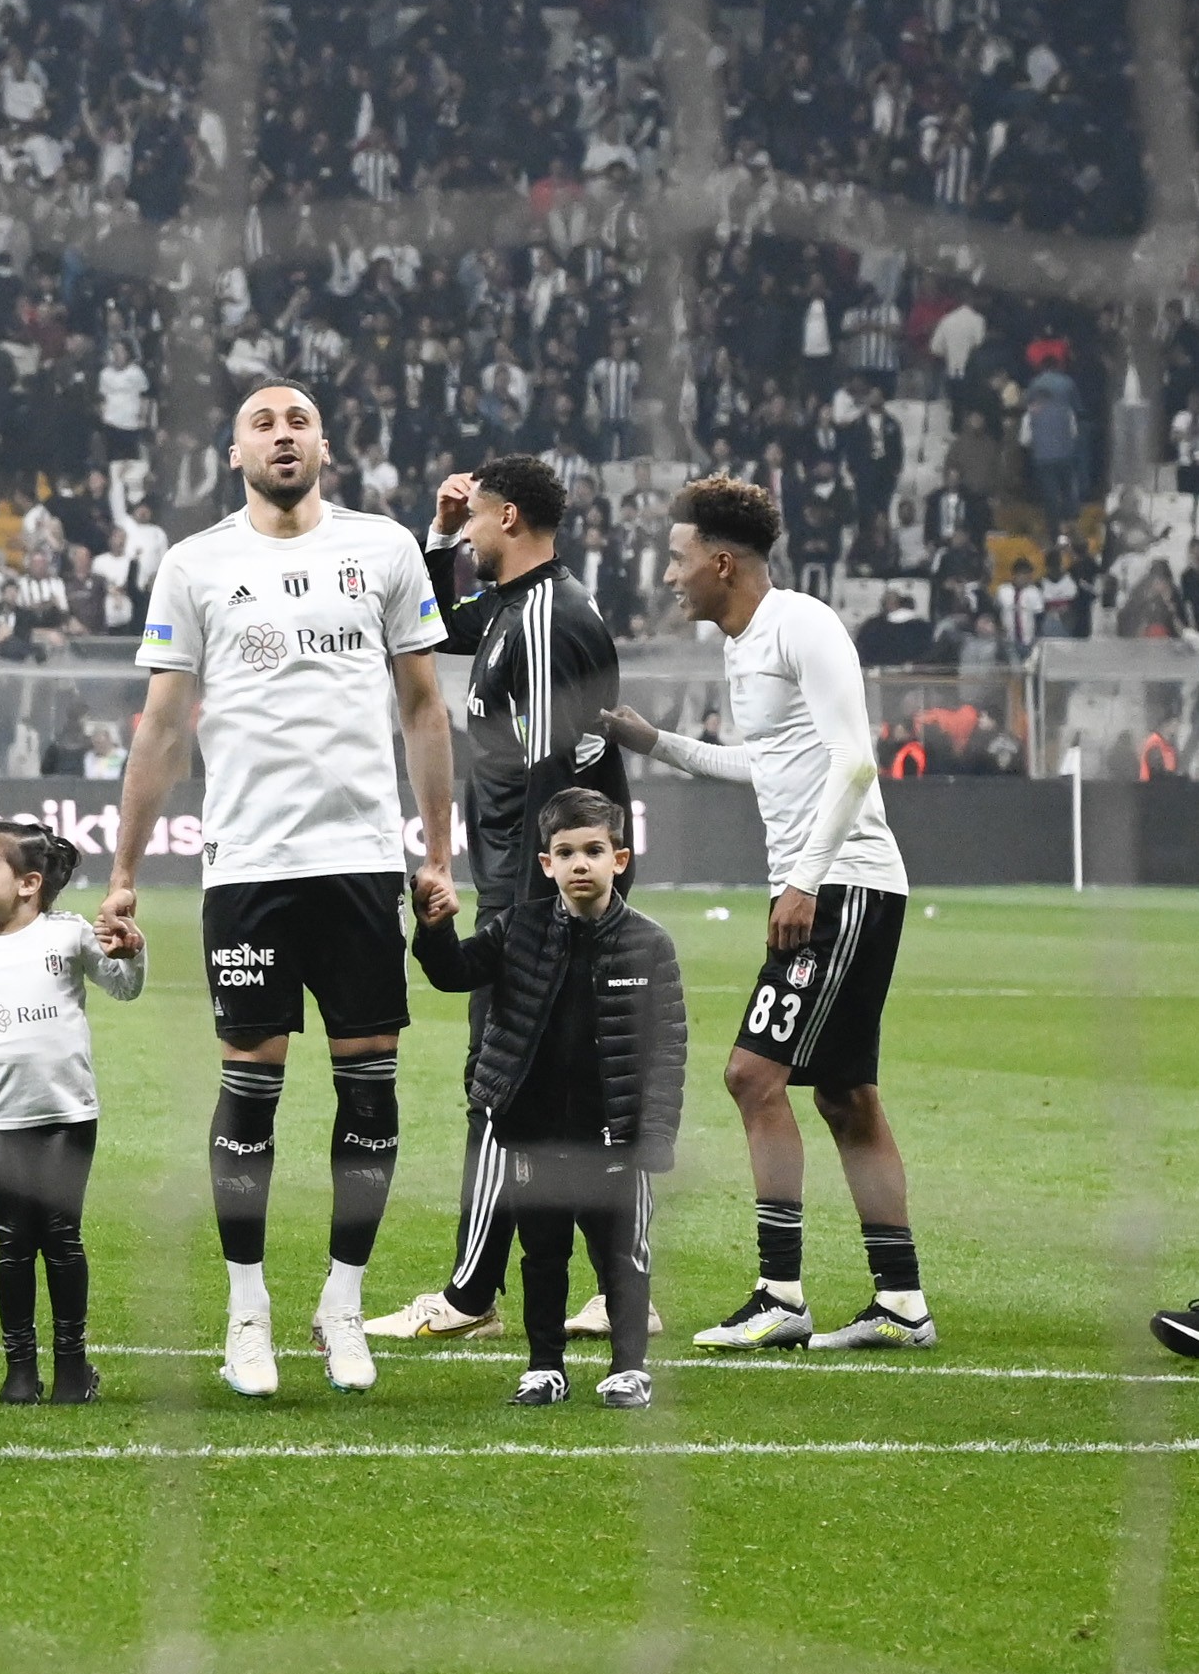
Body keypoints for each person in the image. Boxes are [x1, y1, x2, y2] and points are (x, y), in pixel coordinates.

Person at [99, 385, 459, 1398]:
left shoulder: (385, 550)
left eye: (297, 420)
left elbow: (424, 710)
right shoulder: (196, 563)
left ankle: (342, 1306)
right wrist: (123, 875)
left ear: (325, 446)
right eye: (263, 423)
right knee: (250, 1088)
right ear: (235, 452)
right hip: (249, 866)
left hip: (357, 862)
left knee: (370, 1088)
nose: (282, 435)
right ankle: (245, 1310)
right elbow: (163, 730)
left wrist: (437, 855)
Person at [605, 475, 934, 1353]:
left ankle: (779, 1293)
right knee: (844, 1096)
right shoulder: (742, 644)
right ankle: (900, 1302)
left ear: (720, 560)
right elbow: (766, 765)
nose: (669, 577)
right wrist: (657, 744)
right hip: (832, 886)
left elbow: (855, 762)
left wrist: (803, 880)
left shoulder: (801, 623)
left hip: (844, 886)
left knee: (753, 1076)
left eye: (677, 560)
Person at [366, 453, 627, 1347]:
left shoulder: (549, 614)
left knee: (501, 1086)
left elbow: (563, 771)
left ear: (509, 517)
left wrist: (538, 909)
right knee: (565, 1089)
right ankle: (618, 1286)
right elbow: (433, 627)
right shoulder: (518, 607)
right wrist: (438, 535)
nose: (468, 530)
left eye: (475, 518)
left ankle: (472, 1295)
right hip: (523, 889)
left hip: (536, 899)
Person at [406, 789, 686, 1408]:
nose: (579, 864)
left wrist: (656, 1134)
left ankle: (629, 1366)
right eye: (566, 853)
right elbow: (453, 973)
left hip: (614, 1133)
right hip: (533, 1131)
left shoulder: (650, 944)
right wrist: (433, 926)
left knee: (622, 1256)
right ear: (545, 865)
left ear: (620, 859)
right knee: (543, 1253)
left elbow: (667, 1049)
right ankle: (544, 1366)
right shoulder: (518, 927)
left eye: (593, 851)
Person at [0, 818, 143, 1406]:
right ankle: (20, 1373)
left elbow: (123, 986)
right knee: (13, 1241)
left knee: (63, 1238)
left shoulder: (67, 936)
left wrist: (131, 950)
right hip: (1, 1118)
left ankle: (72, 1369)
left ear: (28, 883)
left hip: (68, 1114)